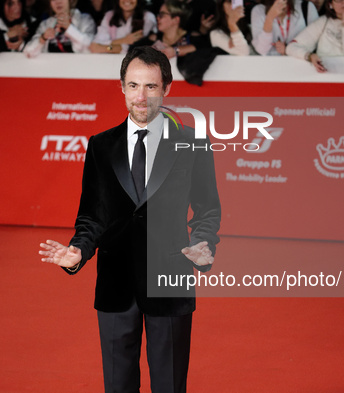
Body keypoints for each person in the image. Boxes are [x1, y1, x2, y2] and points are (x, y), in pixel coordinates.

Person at [39, 46, 221, 393]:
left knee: (169, 384)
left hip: (170, 279)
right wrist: (79, 250)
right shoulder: (100, 146)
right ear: (121, 87)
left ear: (166, 88)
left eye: (151, 86)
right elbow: (93, 214)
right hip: (115, 283)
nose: (141, 96)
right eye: (133, 85)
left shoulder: (192, 143)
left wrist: (203, 242)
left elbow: (208, 208)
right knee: (118, 385)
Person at [285, 0, 344, 72]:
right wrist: (309, 56)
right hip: (325, 78)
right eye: (338, 0)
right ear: (330, 4)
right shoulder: (323, 21)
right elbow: (291, 47)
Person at [23, 0, 94, 55]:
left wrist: (69, 29)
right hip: (52, 70)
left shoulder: (84, 19)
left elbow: (90, 48)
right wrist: (42, 39)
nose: (58, 2)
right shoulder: (46, 24)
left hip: (77, 69)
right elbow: (28, 52)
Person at [251, 0, 318, 56]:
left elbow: (315, 43)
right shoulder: (258, 11)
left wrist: (288, 49)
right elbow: (261, 50)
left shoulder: (306, 7)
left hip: (301, 65)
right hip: (271, 66)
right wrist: (270, 17)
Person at [89, 0, 156, 54]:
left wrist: (106, 47)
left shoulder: (148, 18)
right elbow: (95, 45)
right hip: (109, 62)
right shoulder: (109, 16)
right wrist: (124, 40)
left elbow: (134, 48)